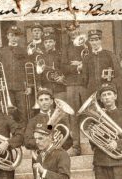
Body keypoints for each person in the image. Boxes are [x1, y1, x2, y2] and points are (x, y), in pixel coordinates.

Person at [61, 26, 87, 156]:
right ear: (68, 33)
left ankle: (95, 145)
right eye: (71, 31)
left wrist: (82, 64)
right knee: (73, 116)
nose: (74, 33)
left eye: (76, 30)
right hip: (71, 85)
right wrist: (78, 67)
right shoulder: (66, 48)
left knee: (89, 114)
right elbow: (63, 67)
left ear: (79, 31)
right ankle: (76, 146)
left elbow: (92, 63)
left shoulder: (86, 45)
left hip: (85, 84)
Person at [0, 25, 27, 123]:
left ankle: (23, 132)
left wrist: (28, 85)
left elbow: (27, 68)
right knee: (9, 112)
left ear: (19, 37)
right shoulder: (1, 51)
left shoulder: (23, 50)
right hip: (7, 86)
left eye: (16, 35)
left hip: (20, 86)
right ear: (7, 36)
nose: (14, 38)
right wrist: (0, 84)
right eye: (11, 35)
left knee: (23, 111)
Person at [24, 87, 73, 152]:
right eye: (41, 100)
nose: (44, 102)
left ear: (51, 101)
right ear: (38, 102)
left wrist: (57, 147)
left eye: (46, 99)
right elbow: (27, 142)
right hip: (40, 157)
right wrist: (44, 142)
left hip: (57, 155)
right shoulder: (33, 121)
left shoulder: (60, 119)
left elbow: (69, 141)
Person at [82, 29, 120, 96]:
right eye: (92, 40)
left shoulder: (109, 55)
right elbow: (85, 79)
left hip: (107, 91)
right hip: (92, 92)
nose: (94, 43)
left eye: (96, 40)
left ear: (100, 40)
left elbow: (117, 74)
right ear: (89, 42)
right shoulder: (87, 58)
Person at [38, 33, 66, 99]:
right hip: (46, 87)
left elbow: (66, 68)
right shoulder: (40, 57)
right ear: (43, 44)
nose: (48, 44)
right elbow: (38, 73)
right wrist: (39, 86)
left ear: (55, 42)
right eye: (46, 42)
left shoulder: (61, 54)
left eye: (50, 41)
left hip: (60, 87)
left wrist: (63, 77)